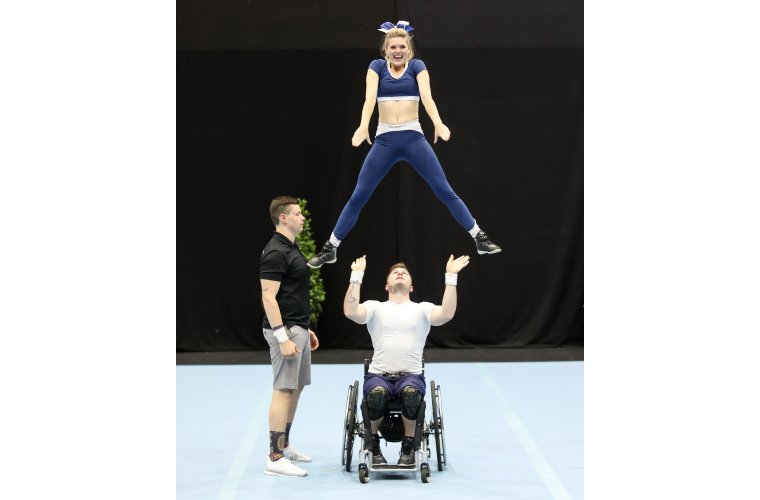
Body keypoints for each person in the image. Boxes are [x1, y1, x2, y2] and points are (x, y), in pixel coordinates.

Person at [308, 21, 500, 269]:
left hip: (412, 138)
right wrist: (364, 125)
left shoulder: (417, 66)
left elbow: (427, 98)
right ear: (385, 50)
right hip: (385, 139)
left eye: (402, 46)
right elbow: (369, 100)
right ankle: (331, 247)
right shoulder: (376, 67)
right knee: (359, 195)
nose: (397, 51)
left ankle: (479, 238)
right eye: (392, 47)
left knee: (443, 189)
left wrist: (438, 124)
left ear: (408, 49)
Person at [342, 253, 469, 466]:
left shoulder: (422, 308)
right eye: (394, 272)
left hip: (411, 376)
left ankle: (409, 446)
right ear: (386, 286)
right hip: (378, 376)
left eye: (404, 272)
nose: (399, 273)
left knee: (411, 396)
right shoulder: (375, 307)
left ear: (411, 287)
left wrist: (451, 277)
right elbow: (350, 311)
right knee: (376, 396)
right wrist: (356, 275)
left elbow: (447, 314)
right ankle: (372, 446)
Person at [260, 196, 320, 477]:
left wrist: (303, 329)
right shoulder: (275, 251)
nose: (302, 217)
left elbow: (290, 294)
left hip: (297, 329)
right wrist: (282, 337)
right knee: (283, 390)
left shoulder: (291, 248)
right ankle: (274, 458)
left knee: (296, 388)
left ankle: (283, 446)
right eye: (297, 214)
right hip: (283, 332)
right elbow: (268, 297)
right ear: (283, 218)